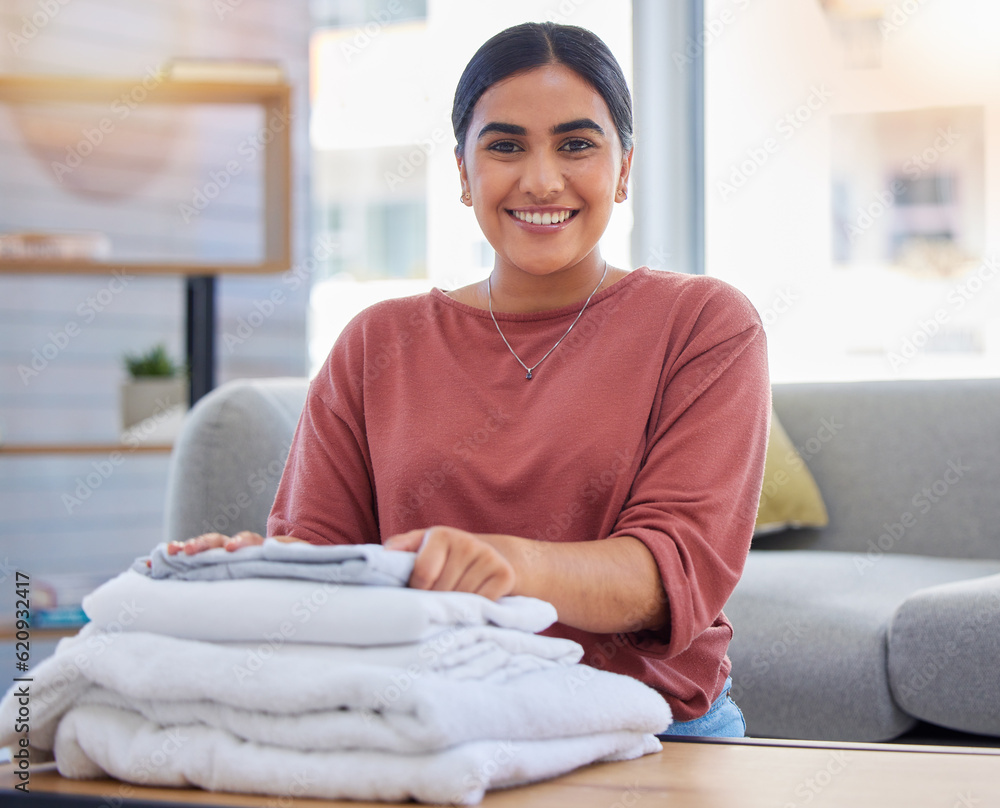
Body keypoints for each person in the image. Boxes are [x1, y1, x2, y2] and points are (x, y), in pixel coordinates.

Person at [169, 21, 770, 738]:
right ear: (462, 173)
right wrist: (260, 569)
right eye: (505, 145)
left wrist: (501, 564)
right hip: (430, 720)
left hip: (648, 728)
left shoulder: (705, 323)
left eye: (577, 144)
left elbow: (671, 579)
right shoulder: (377, 342)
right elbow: (329, 561)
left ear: (625, 168)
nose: (541, 179)